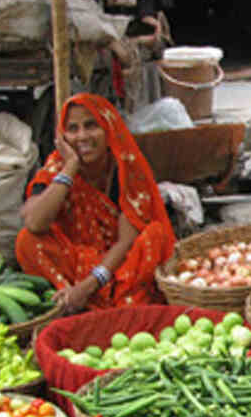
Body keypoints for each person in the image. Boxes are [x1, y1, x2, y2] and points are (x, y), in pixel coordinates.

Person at [16, 93, 175, 312]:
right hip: (76, 261)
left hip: (119, 265)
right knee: (27, 241)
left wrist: (87, 286)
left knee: (154, 236)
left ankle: (91, 302)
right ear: (63, 137)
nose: (82, 136)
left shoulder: (124, 168)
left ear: (108, 127)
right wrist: (70, 167)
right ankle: (70, 300)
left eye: (91, 126)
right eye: (73, 129)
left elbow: (126, 242)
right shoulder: (57, 167)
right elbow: (35, 223)